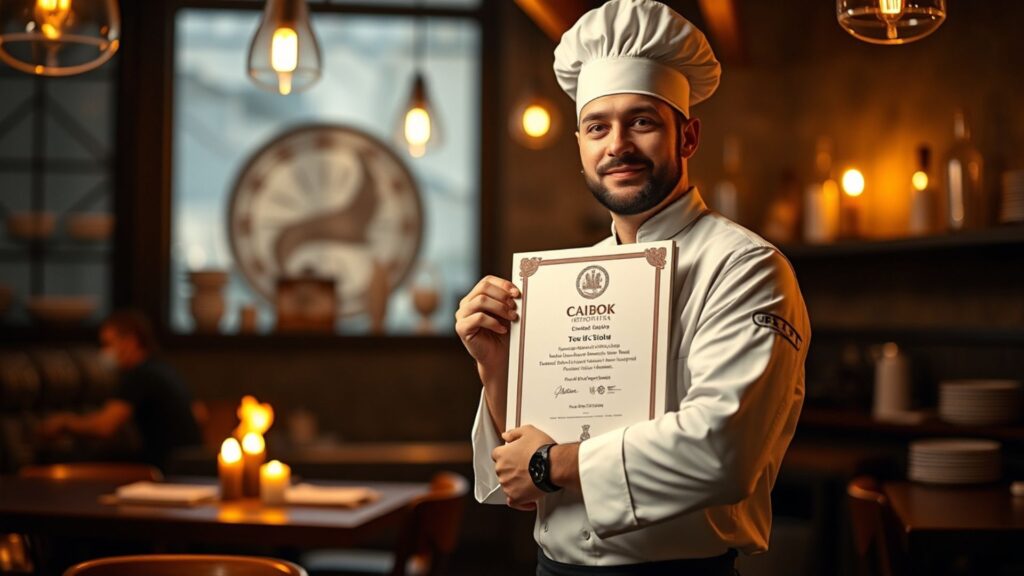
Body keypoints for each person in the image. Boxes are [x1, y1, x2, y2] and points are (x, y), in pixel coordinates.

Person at [455, 1, 810, 574]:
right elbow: (522, 484)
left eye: (641, 121)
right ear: (580, 146)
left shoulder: (746, 267)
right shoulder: (562, 280)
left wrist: (553, 464)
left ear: (688, 136)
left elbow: (723, 451)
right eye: (597, 127)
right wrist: (495, 366)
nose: (616, 145)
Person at [40, 310, 202, 471]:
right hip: (186, 462)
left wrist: (64, 423)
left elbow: (104, 427)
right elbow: (201, 413)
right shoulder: (162, 368)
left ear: (130, 341)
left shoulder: (140, 375)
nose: (104, 353)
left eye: (108, 344)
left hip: (165, 466)